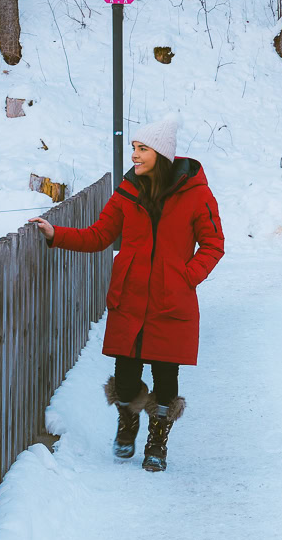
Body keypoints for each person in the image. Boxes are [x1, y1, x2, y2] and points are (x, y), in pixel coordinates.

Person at [29, 117, 224, 471]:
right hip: (130, 299)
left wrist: (187, 276)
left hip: (171, 302)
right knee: (126, 377)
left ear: (161, 154)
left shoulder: (197, 195)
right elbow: (98, 236)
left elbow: (213, 244)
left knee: (166, 381)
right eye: (133, 147)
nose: (134, 154)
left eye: (142, 148)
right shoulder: (126, 192)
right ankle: (129, 420)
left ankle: (157, 442)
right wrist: (55, 234)